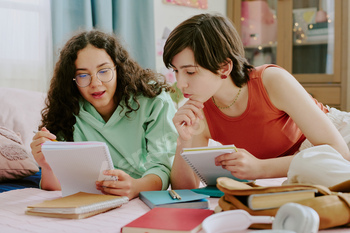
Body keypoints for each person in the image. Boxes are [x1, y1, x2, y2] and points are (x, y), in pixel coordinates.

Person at [163, 13, 350, 190]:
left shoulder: (271, 81)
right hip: (299, 167)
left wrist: (261, 168)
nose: (180, 83)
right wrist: (183, 141)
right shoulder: (199, 110)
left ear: (224, 67)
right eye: (176, 71)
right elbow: (184, 191)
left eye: (190, 72)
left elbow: (338, 152)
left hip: (337, 139)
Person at [31, 30, 177, 199]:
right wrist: (47, 165)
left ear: (119, 68)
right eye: (83, 75)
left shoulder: (153, 99)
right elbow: (58, 186)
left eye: (104, 71)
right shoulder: (66, 109)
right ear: (72, 79)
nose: (96, 83)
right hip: (92, 199)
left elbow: (163, 167)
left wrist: (136, 187)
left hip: (142, 191)